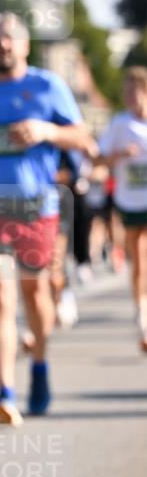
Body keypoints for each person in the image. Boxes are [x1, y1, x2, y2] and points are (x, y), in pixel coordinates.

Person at [0, 12, 96, 426]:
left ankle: (39, 363)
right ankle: (5, 392)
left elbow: (82, 137)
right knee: (0, 292)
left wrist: (47, 131)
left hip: (37, 207)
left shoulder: (48, 86)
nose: (3, 45)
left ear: (25, 44)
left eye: (10, 38)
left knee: (35, 294)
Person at [98, 66, 147, 351]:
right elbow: (99, 160)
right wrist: (120, 155)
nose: (129, 97)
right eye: (126, 92)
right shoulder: (120, 124)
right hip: (130, 200)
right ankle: (142, 312)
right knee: (138, 256)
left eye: (134, 91)